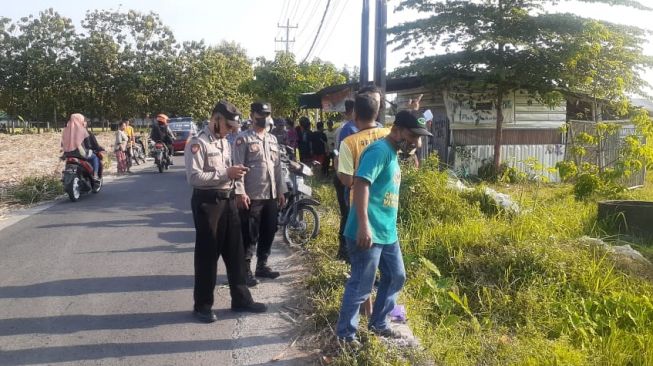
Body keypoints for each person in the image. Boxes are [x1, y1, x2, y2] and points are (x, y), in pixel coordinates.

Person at [336, 109, 431, 344]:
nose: (416, 143)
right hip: (367, 232)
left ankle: (379, 322)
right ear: (396, 129)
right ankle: (345, 336)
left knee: (396, 275)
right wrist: (364, 226)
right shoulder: (379, 150)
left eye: (419, 138)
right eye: (413, 136)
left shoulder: (392, 152)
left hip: (387, 232)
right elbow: (360, 184)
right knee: (361, 285)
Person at [185, 100, 267, 323]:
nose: (231, 131)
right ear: (216, 119)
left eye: (234, 127)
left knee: (236, 253)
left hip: (228, 200)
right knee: (207, 256)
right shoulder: (197, 143)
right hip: (207, 203)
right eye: (229, 126)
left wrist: (239, 188)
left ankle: (241, 299)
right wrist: (226, 174)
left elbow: (232, 171)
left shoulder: (224, 142)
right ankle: (202, 305)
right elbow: (194, 178)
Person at [233, 102, 287, 287]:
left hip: (271, 194)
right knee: (249, 235)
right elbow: (238, 167)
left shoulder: (272, 139)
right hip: (252, 196)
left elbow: (278, 167)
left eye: (267, 114)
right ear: (252, 115)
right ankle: (245, 270)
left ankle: (262, 266)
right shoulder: (243, 139)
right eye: (260, 114)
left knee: (269, 231)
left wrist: (281, 190)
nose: (264, 118)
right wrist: (240, 192)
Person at [333, 99, 355, 262]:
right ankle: (343, 249)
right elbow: (339, 158)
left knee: (348, 214)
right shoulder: (346, 129)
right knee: (347, 213)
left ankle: (346, 249)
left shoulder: (352, 127)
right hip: (343, 176)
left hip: (347, 175)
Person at [61, 113, 103, 181]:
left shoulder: (66, 131)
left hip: (68, 154)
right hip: (80, 154)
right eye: (83, 120)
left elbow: (62, 144)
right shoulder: (83, 131)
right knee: (95, 157)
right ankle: (95, 175)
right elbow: (89, 145)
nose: (84, 122)